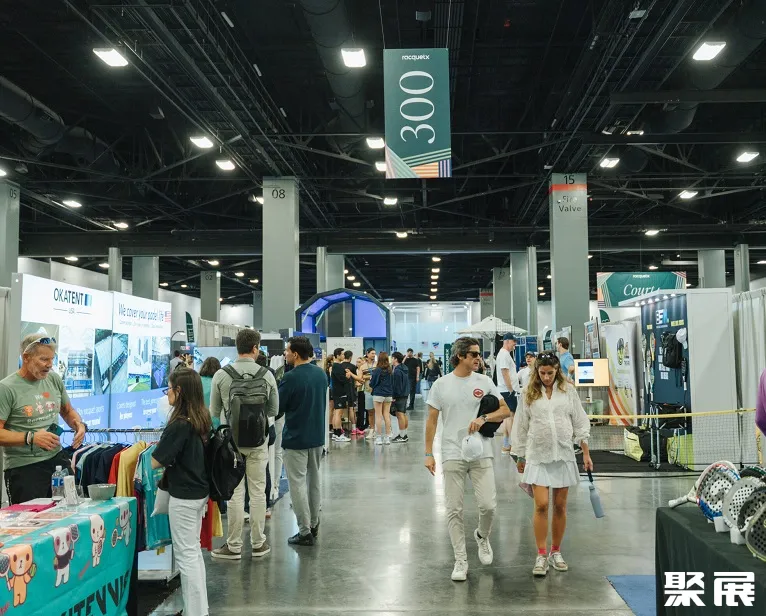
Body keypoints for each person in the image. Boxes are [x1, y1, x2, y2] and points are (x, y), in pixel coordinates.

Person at [425, 337, 511, 582]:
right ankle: (460, 560)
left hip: (481, 450)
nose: (478, 358)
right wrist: (429, 453)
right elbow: (431, 421)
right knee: (454, 509)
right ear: (460, 356)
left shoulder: (484, 381)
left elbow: (505, 410)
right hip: (452, 452)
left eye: (479, 354)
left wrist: (484, 418)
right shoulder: (441, 385)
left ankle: (482, 536)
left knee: (488, 505)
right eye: (473, 354)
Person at [512, 351, 593, 577]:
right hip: (537, 455)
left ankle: (556, 551)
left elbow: (580, 421)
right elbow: (520, 424)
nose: (546, 377)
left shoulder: (569, 391)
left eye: (550, 373)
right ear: (536, 372)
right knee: (541, 504)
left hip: (564, 454)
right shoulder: (528, 393)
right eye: (542, 373)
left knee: (559, 506)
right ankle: (541, 554)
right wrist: (519, 455)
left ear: (557, 371)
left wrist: (586, 453)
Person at [210, 329, 278, 561]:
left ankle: (234, 546)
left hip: (232, 444)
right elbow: (274, 410)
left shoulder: (221, 375)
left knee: (235, 493)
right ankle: (258, 543)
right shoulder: (267, 375)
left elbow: (214, 412)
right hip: (258, 442)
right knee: (258, 492)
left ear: (236, 347)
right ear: (255, 348)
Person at [0, 334, 87, 504]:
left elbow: (67, 411)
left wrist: (79, 424)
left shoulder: (53, 379)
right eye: (44, 359)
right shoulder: (6, 388)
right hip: (24, 469)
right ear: (26, 357)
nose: (49, 364)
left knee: (70, 513)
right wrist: (31, 437)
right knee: (31, 520)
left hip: (58, 462)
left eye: (52, 359)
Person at [151, 368, 210, 616]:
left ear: (179, 391)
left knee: (186, 557)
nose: (166, 393)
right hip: (198, 492)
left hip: (184, 495)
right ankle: (198, 609)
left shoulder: (179, 424)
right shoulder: (201, 418)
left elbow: (156, 461)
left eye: (169, 388)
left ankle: (196, 612)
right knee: (193, 553)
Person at [280, 336, 327, 546]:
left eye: (287, 351)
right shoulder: (320, 374)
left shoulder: (290, 377)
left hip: (295, 438)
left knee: (297, 484)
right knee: (314, 482)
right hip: (316, 437)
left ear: (296, 354)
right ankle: (314, 524)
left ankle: (304, 530)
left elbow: (279, 407)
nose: (285, 354)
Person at [496, 334, 520, 455]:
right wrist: (511, 390)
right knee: (511, 417)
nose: (515, 344)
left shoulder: (503, 354)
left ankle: (506, 444)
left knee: (507, 418)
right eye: (513, 341)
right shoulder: (504, 354)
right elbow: (505, 373)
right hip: (507, 391)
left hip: (504, 390)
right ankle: (513, 444)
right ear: (507, 341)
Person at [370, 352, 395, 445]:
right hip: (388, 394)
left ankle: (379, 438)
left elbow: (372, 383)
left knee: (378, 416)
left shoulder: (377, 370)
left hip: (378, 394)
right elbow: (392, 383)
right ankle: (387, 437)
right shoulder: (390, 370)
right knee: (386, 415)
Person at [329, 348, 351, 442]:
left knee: (336, 413)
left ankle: (336, 433)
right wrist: (347, 377)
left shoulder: (337, 366)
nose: (343, 356)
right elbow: (341, 379)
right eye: (342, 354)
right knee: (338, 413)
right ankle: (338, 434)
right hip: (340, 393)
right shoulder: (337, 366)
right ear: (337, 355)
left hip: (337, 392)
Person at [341, 351, 363, 436]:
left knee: (339, 410)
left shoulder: (340, 366)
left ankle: (339, 428)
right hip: (350, 390)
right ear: (350, 357)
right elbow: (355, 379)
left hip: (342, 390)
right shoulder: (353, 367)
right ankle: (354, 428)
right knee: (351, 409)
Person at [390, 352, 410, 443]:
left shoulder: (397, 371)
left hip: (399, 395)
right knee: (403, 414)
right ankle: (404, 434)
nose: (391, 360)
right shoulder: (404, 368)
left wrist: (394, 396)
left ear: (395, 359)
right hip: (405, 393)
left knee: (399, 414)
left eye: (392, 358)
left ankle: (402, 436)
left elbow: (397, 385)